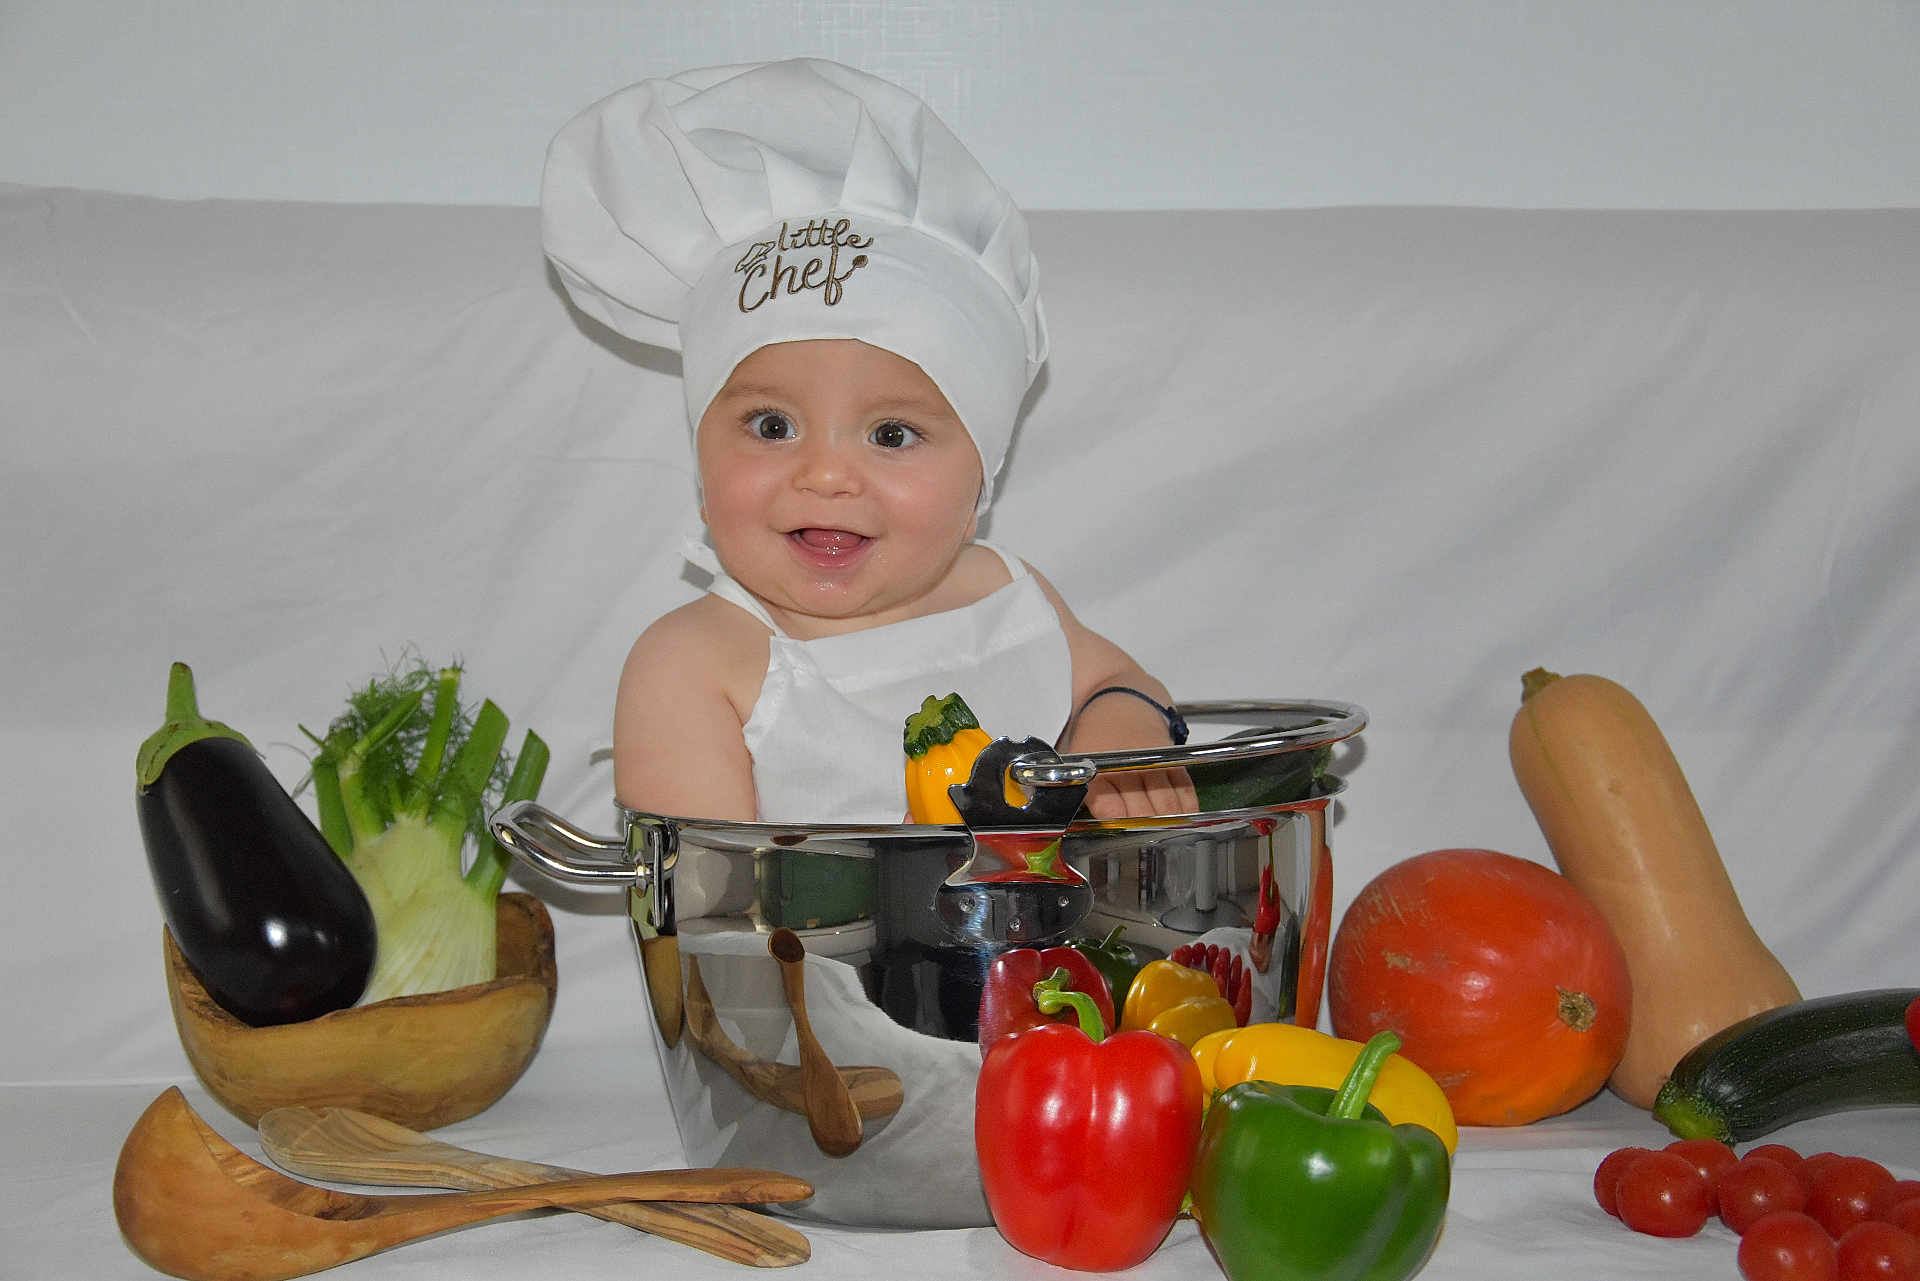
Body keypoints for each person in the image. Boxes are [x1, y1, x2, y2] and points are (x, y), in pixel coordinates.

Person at [542, 58, 1194, 825]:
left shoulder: (1006, 596)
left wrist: (1119, 720)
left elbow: (1115, 676)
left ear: (980, 475)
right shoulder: (696, 663)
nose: (824, 474)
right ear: (701, 447)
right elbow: (715, 911)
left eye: (891, 433)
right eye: (772, 426)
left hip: (1061, 947)